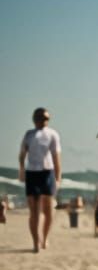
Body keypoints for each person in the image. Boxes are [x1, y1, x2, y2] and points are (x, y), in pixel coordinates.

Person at [18, 107, 61, 252]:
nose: (44, 121)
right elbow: (22, 154)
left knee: (49, 211)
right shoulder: (29, 135)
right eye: (41, 118)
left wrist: (58, 177)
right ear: (34, 119)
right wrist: (22, 170)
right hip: (32, 173)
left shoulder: (52, 134)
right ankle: (36, 241)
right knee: (34, 211)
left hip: (47, 172)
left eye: (46, 118)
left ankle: (44, 237)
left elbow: (56, 156)